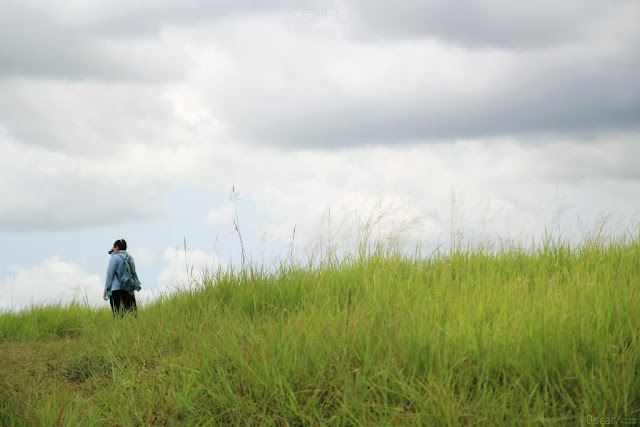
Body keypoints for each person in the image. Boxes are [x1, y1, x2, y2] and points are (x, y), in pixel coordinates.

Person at [104, 239, 138, 317]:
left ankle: (120, 328)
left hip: (116, 290)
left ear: (117, 247)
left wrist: (106, 290)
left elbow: (110, 275)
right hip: (129, 289)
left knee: (118, 315)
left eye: (113, 247)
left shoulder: (115, 258)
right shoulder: (130, 257)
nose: (112, 248)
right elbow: (133, 273)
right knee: (132, 314)